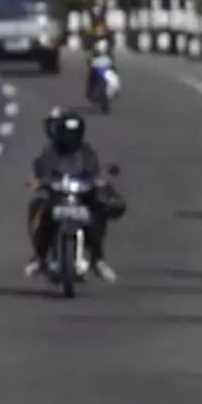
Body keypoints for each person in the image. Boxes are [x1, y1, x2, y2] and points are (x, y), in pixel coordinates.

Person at [24, 109, 117, 282]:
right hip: (57, 196)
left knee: (98, 213)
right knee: (39, 207)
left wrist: (99, 181)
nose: (70, 138)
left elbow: (94, 171)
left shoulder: (87, 152)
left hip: (82, 196)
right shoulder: (50, 151)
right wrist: (40, 180)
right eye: (67, 134)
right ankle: (39, 257)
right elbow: (42, 168)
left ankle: (97, 259)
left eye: (74, 134)